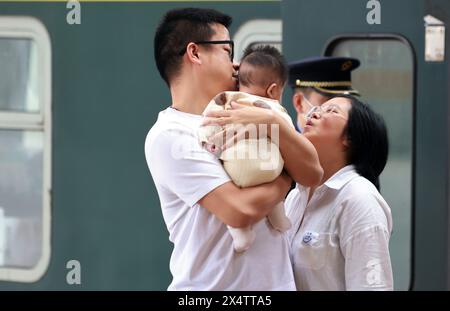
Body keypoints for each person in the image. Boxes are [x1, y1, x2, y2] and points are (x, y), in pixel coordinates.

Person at [144, 8, 322, 290]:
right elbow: (239, 211)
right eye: (228, 51)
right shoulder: (170, 135)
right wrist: (286, 174)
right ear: (195, 53)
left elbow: (313, 173)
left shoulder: (252, 110)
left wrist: (272, 119)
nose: (237, 64)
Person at [203, 95, 393, 290]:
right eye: (317, 108)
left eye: (331, 111)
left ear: (350, 138)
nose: (315, 113)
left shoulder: (359, 198)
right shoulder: (297, 195)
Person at [199, 45, 303, 252]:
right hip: (270, 168)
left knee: (236, 179)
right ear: (274, 90)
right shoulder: (274, 110)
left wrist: (209, 142)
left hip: (236, 171)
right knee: (274, 175)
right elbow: (290, 134)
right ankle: (277, 214)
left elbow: (210, 122)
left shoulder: (227, 100)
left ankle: (240, 232)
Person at [288, 56, 360, 133]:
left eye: (345, 100)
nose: (338, 110)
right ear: (299, 103)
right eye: (329, 106)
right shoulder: (279, 144)